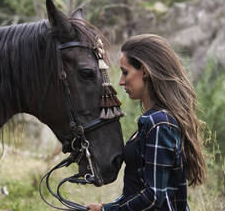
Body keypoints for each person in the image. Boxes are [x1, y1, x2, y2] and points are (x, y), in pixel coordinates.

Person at [87, 34, 206, 211]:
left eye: (125, 72)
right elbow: (137, 191)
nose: (120, 81)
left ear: (144, 71)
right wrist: (106, 207)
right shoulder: (154, 121)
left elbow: (153, 197)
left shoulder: (160, 123)